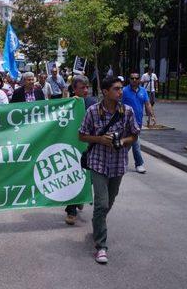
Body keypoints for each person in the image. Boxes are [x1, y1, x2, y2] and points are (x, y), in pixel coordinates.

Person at [79, 76, 139, 264]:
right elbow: (82, 135)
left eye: (121, 89)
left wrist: (121, 141)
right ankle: (101, 246)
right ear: (105, 92)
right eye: (116, 89)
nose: (120, 92)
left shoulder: (126, 111)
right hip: (98, 163)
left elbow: (134, 135)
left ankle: (98, 224)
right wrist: (100, 140)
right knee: (101, 204)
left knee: (109, 202)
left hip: (118, 164)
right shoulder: (92, 111)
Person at [64, 75, 97, 225]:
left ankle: (81, 197)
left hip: (89, 146)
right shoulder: (67, 104)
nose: (85, 90)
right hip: (72, 145)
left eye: (86, 87)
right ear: (74, 89)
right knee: (73, 176)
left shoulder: (93, 103)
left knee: (88, 177)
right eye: (81, 88)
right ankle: (71, 210)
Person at [122, 72, 155, 174]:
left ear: (139, 79)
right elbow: (117, 103)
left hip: (138, 122)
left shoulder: (143, 91)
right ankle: (139, 164)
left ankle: (120, 160)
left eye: (136, 78)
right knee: (135, 143)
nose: (134, 80)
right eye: (132, 78)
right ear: (129, 79)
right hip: (126, 122)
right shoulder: (124, 91)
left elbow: (147, 104)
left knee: (128, 144)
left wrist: (152, 115)